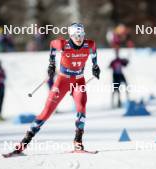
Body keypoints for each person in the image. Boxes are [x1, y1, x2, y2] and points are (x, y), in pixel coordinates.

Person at [11, 23, 100, 153]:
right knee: (47, 112)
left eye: (81, 35)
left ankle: (78, 142)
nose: (79, 38)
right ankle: (23, 144)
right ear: (71, 35)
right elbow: (52, 44)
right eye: (76, 35)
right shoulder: (63, 44)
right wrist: (51, 64)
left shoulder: (89, 44)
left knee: (81, 108)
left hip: (79, 81)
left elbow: (94, 51)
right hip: (62, 81)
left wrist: (95, 66)